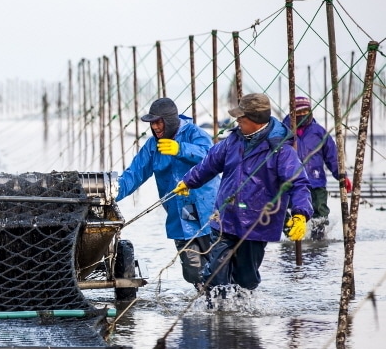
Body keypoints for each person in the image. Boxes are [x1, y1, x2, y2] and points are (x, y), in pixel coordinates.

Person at [172, 93, 312, 294]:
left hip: (256, 224)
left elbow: (298, 183)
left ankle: (241, 308)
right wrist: (188, 181)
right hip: (225, 219)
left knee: (246, 279)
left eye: (241, 118)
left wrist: (301, 214)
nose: (237, 122)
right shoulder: (232, 141)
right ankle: (216, 308)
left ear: (255, 120)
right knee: (215, 276)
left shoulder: (281, 150)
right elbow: (209, 163)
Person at [116, 97, 220, 287]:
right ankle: (207, 299)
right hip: (180, 216)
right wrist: (110, 193)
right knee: (193, 272)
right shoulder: (152, 146)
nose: (154, 127)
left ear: (170, 120)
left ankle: (226, 302)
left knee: (219, 266)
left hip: (209, 212)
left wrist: (181, 149)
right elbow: (134, 174)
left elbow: (213, 157)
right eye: (152, 123)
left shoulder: (195, 134)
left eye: (158, 122)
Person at [281, 96, 351, 240]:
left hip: (315, 181)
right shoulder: (283, 132)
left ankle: (317, 244)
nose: (302, 115)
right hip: (290, 183)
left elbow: (332, 157)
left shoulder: (319, 132)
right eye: (299, 112)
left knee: (320, 216)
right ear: (292, 113)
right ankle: (292, 244)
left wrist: (341, 175)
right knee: (288, 216)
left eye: (305, 111)